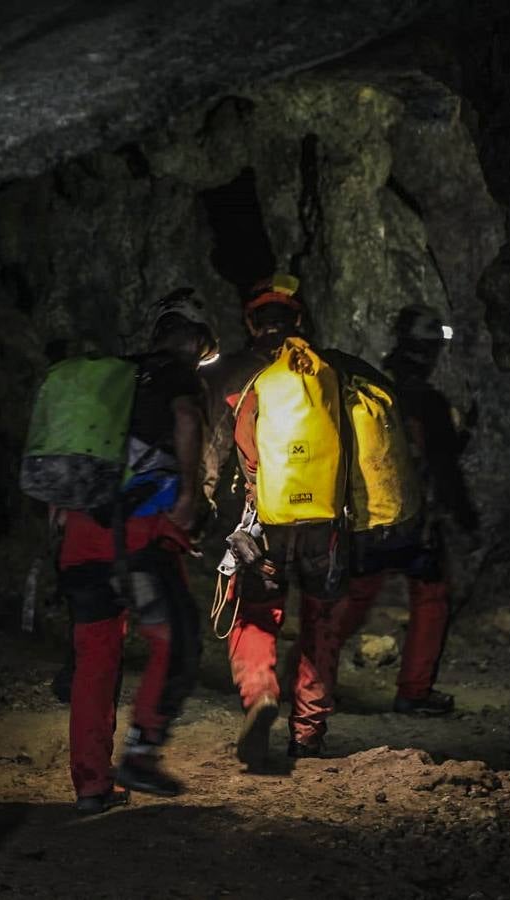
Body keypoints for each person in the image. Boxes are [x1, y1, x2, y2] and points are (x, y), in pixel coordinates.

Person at [57, 288, 216, 813]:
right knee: (176, 639)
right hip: (138, 536)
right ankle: (142, 752)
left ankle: (92, 787)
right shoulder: (176, 372)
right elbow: (189, 417)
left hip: (82, 534)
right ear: (195, 340)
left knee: (95, 661)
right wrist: (190, 496)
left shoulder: (113, 376)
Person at [202, 274, 359, 767]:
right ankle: (308, 733)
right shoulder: (331, 370)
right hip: (324, 527)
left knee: (254, 616)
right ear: (299, 320)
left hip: (260, 524)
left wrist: (204, 515)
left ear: (252, 324)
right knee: (322, 624)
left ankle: (261, 695)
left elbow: (213, 455)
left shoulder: (234, 376)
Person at [340, 305, 480, 715]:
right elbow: (441, 464)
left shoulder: (374, 390)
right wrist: (465, 515)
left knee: (353, 597)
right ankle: (414, 692)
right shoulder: (428, 401)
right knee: (431, 596)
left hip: (369, 515)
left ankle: (303, 678)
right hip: (413, 520)